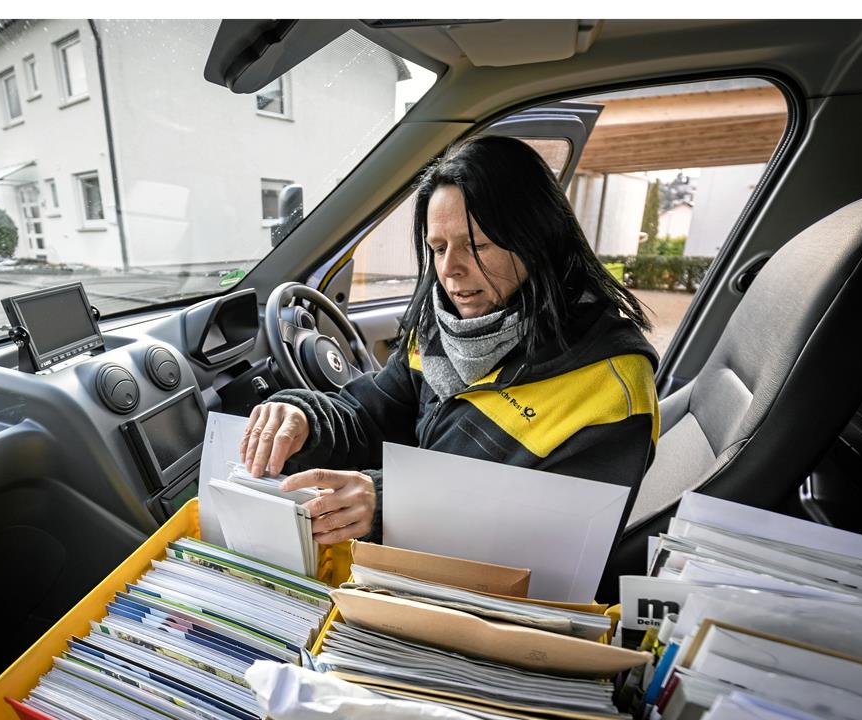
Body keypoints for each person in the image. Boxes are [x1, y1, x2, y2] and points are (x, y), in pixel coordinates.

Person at [239, 134, 660, 546]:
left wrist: (393, 504)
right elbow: (371, 416)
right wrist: (306, 420)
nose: (450, 269)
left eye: (477, 246)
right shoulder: (438, 328)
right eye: (437, 248)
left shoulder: (613, 384)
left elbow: (560, 538)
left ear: (537, 240)